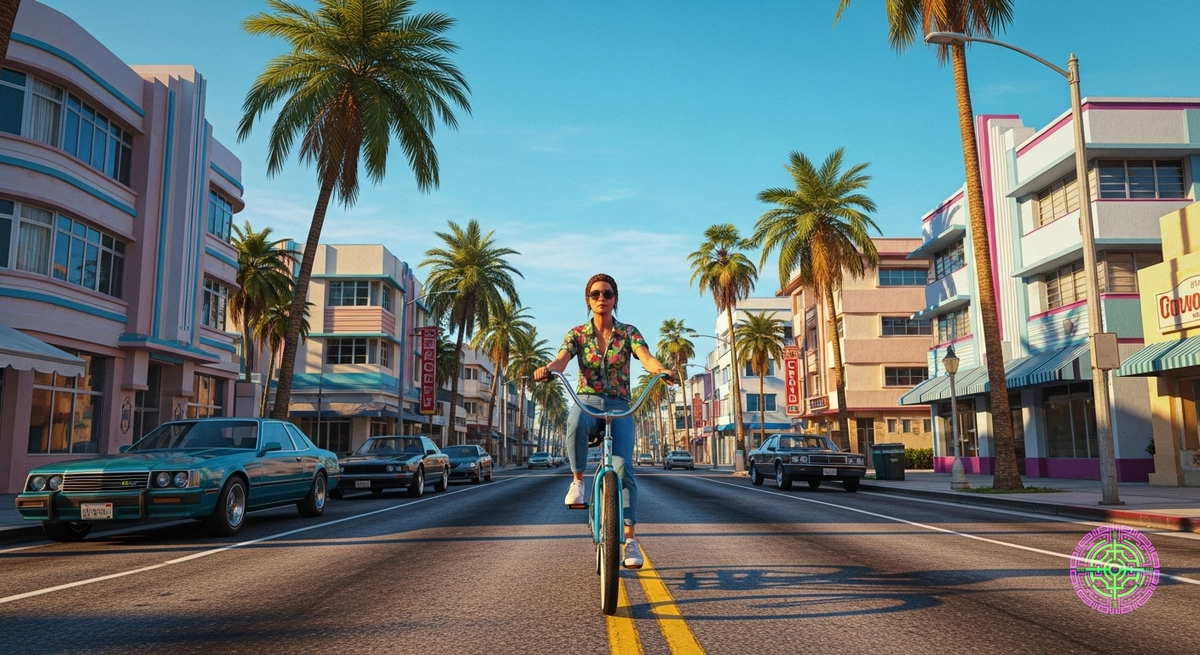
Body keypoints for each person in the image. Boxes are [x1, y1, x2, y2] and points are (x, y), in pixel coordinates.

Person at [534, 273, 674, 570]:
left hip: (620, 404)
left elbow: (645, 357)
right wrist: (548, 369)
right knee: (575, 421)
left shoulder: (628, 333)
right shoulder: (577, 335)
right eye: (596, 294)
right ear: (588, 299)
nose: (602, 299)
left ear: (615, 299)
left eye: (607, 294)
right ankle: (577, 481)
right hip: (588, 401)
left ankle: (631, 537)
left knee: (623, 469)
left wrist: (662, 370)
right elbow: (561, 360)